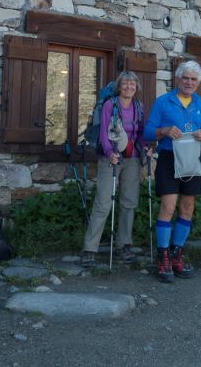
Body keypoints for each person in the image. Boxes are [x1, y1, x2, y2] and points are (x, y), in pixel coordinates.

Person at [142, 60, 201, 282]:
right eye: (186, 78)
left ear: (198, 82)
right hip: (169, 159)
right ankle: (162, 257)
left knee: (188, 207)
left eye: (194, 79)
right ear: (177, 79)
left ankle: (176, 254)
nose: (189, 82)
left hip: (192, 160)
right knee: (168, 206)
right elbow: (148, 132)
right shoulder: (163, 102)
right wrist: (163, 130)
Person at [80, 72, 145, 268]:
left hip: (132, 159)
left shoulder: (139, 107)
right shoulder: (110, 105)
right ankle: (90, 249)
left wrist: (146, 148)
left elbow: (140, 133)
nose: (128, 87)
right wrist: (109, 153)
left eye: (132, 84)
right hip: (110, 158)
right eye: (125, 84)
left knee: (129, 202)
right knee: (103, 202)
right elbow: (103, 134)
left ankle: (123, 245)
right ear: (119, 87)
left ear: (136, 87)